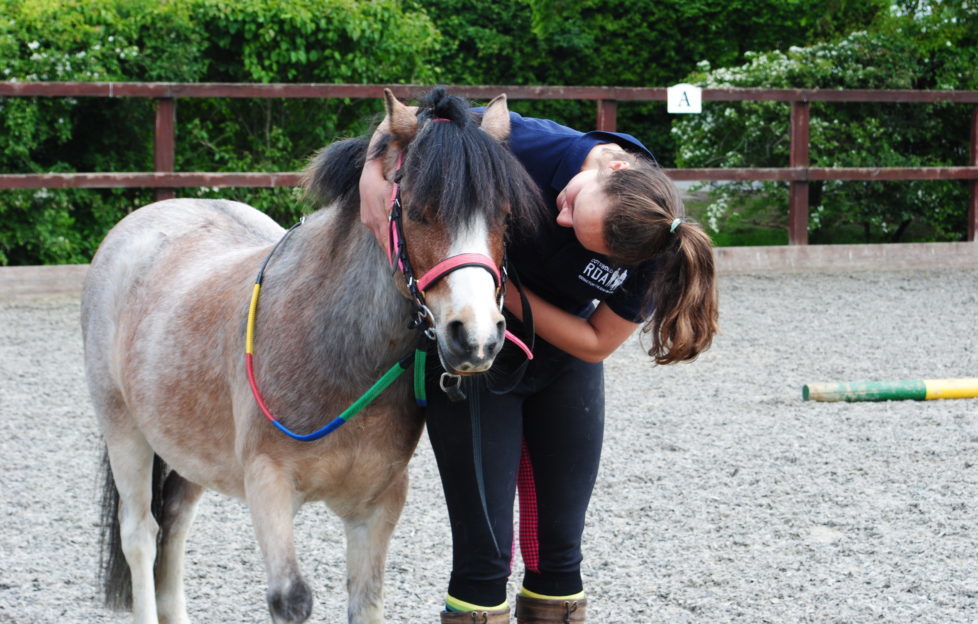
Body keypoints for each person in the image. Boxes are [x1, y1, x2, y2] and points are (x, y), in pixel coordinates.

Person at [359, 92, 719, 624]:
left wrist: (500, 296)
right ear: (609, 168)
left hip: (562, 362)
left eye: (587, 241)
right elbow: (412, 120)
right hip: (477, 354)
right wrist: (372, 174)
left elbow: (596, 341)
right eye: (574, 207)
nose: (565, 221)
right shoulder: (532, 144)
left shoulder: (651, 238)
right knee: (483, 561)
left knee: (560, 553)